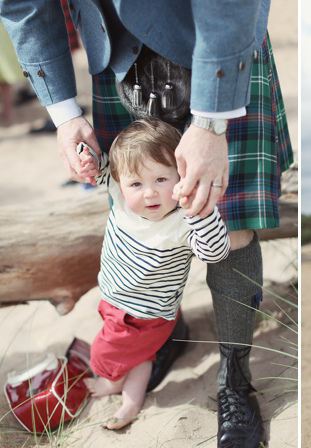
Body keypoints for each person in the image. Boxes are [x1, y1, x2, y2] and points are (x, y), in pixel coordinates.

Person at [0, 2, 293, 446]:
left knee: (231, 223)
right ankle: (164, 334)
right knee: (134, 186)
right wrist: (64, 114)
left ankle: (234, 379)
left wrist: (211, 124)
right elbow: (24, 5)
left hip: (217, 46)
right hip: (114, 56)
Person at [78, 119, 230, 430]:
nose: (149, 194)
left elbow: (216, 251)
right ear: (122, 184)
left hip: (143, 316)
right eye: (136, 184)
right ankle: (132, 402)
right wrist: (87, 158)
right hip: (115, 300)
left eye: (161, 179)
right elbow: (103, 169)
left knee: (103, 354)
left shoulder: (182, 222)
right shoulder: (120, 196)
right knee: (140, 357)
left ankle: (111, 382)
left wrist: (200, 212)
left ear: (181, 177)